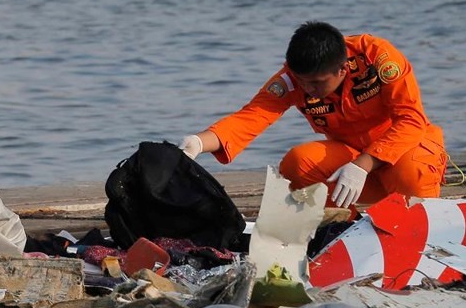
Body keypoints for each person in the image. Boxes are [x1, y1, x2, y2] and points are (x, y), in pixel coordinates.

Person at [179, 21, 447, 209]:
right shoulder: (292, 80)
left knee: (413, 169)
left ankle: (425, 228)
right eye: (302, 80)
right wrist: (197, 143)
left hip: (403, 154)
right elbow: (250, 118)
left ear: (342, 70)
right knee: (297, 164)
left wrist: (364, 164)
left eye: (317, 83)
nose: (307, 89)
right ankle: (341, 227)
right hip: (351, 162)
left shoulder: (377, 58)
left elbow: (411, 120)